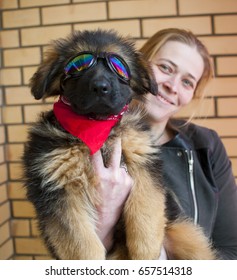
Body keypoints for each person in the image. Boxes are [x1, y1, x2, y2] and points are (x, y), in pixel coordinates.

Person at [91, 28, 237, 260]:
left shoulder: (207, 145)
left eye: (188, 82)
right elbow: (72, 259)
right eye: (165, 68)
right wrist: (105, 216)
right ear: (138, 65)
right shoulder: (93, 138)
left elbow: (232, 248)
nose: (173, 85)